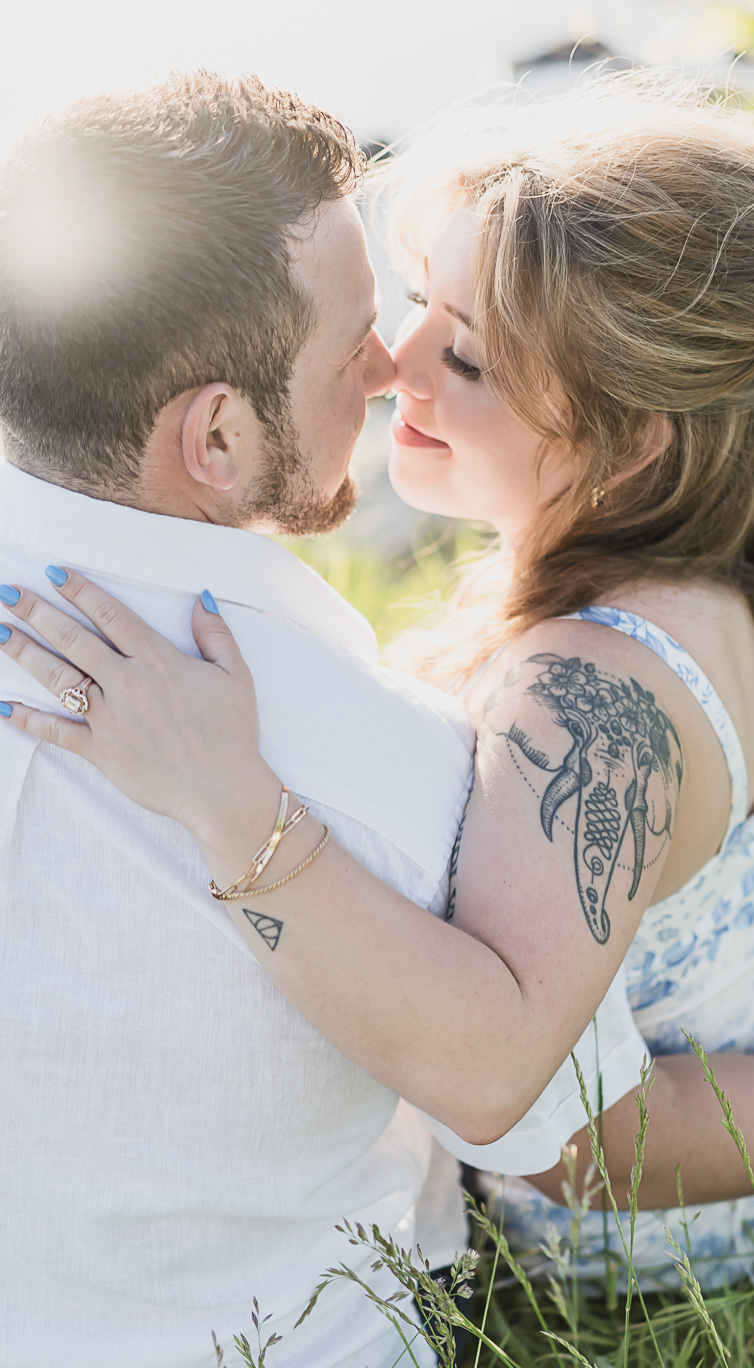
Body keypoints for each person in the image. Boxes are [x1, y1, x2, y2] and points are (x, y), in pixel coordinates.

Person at [3, 74, 754, 1316]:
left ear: (627, 433)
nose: (396, 365)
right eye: (424, 296)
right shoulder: (732, 541)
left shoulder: (588, 690)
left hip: (706, 1236)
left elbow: (576, 1140)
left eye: (468, 356)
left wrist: (233, 809)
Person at [0, 71, 490, 1368]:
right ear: (214, 437)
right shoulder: (391, 765)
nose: (391, 369)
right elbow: (579, 1137)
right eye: (353, 342)